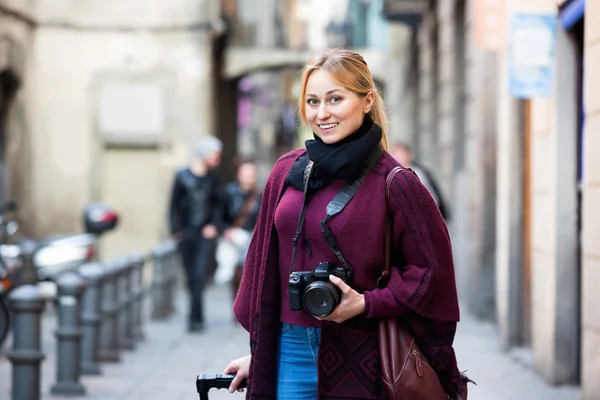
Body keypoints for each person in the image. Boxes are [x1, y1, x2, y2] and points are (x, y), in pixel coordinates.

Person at [223, 49, 469, 399]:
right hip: (289, 348)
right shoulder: (285, 172)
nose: (321, 113)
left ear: (367, 100)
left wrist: (367, 303)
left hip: (364, 355)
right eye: (312, 101)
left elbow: (430, 274)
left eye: (335, 99)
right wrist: (263, 355)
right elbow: (268, 270)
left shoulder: (396, 183)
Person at [168, 136, 223, 332]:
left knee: (199, 275)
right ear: (205, 154)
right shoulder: (182, 176)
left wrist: (214, 226)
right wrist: (175, 230)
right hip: (186, 234)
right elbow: (173, 205)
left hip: (204, 235)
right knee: (191, 276)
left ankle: (196, 319)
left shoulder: (213, 179)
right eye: (215, 155)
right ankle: (194, 316)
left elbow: (218, 206)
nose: (218, 159)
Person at [214, 158, 262, 305]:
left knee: (251, 274)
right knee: (236, 274)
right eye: (246, 173)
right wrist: (226, 230)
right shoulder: (229, 192)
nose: (249, 176)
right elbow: (218, 217)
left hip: (253, 240)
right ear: (239, 174)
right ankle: (237, 305)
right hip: (233, 240)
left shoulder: (260, 194)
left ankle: (249, 305)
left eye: (251, 173)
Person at [389, 141, 451, 221]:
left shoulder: (417, 174)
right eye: (394, 156)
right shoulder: (390, 175)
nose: (397, 159)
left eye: (400, 156)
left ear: (408, 156)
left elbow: (431, 200)